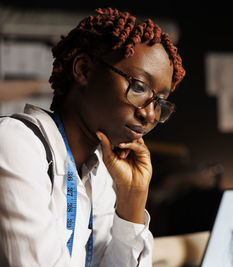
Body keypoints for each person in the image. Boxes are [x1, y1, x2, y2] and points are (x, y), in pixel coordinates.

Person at [0, 7, 185, 267]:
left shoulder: (96, 173)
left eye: (160, 102)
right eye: (139, 87)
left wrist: (131, 201)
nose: (149, 113)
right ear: (84, 69)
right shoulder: (15, 143)